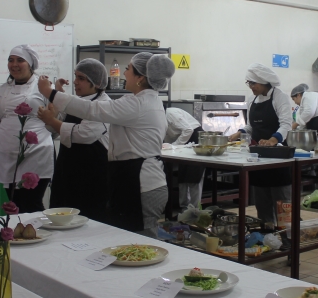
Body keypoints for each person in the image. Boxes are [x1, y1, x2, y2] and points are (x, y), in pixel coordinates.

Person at [38, 52, 175, 237]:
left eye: (128, 69)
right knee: (128, 238)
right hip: (134, 179)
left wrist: (50, 93)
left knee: (139, 241)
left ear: (140, 78)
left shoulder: (138, 105)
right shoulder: (143, 101)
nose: (124, 73)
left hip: (140, 183)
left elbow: (91, 110)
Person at [0, 45, 54, 214]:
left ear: (30, 64)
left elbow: (55, 121)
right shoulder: (1, 91)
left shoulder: (44, 88)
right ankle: (22, 231)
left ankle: (42, 230)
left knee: (32, 203)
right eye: (11, 60)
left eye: (20, 60)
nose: (14, 64)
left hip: (36, 153)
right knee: (15, 204)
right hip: (7, 155)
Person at [37, 59, 109, 220]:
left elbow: (83, 134)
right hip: (66, 173)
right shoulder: (76, 102)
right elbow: (54, 130)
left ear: (96, 83)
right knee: (60, 219)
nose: (75, 82)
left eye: (81, 78)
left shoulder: (104, 105)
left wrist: (52, 120)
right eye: (76, 76)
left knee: (89, 221)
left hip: (91, 178)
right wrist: (53, 113)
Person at [228, 64, 292, 227]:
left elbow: (286, 124)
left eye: (253, 83)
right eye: (248, 83)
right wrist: (239, 133)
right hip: (257, 156)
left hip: (278, 156)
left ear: (264, 82)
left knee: (282, 201)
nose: (251, 87)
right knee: (262, 200)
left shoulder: (280, 97)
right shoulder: (252, 99)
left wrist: (273, 140)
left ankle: (287, 234)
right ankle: (267, 233)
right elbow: (251, 126)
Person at [164, 107, 205, 210]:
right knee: (182, 176)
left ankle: (195, 209)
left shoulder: (170, 113)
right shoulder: (160, 118)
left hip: (196, 139)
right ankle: (184, 207)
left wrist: (174, 146)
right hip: (184, 143)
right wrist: (167, 147)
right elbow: (168, 136)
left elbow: (188, 130)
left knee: (194, 177)